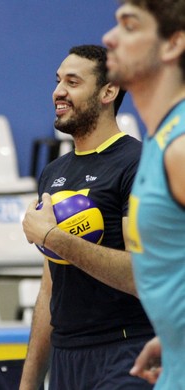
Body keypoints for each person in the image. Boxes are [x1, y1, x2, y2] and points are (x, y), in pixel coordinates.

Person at [19, 45, 155, 390]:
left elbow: (143, 277)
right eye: (57, 81)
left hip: (127, 352)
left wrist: (53, 238)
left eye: (73, 82)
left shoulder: (138, 164)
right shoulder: (53, 173)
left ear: (108, 91)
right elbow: (51, 286)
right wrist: (29, 384)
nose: (58, 92)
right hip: (68, 358)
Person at [102, 1, 185, 388]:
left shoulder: (181, 147)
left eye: (130, 26)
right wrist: (173, 338)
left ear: (172, 45)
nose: (109, 37)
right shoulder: (158, 136)